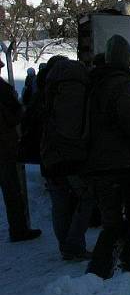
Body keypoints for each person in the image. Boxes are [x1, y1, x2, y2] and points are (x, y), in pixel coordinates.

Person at [83, 35, 130, 278]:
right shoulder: (122, 84)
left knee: (115, 216)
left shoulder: (96, 80)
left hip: (97, 158)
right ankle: (100, 271)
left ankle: (128, 261)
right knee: (119, 218)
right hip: (117, 159)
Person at [40, 56, 95, 260]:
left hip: (49, 153)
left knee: (60, 202)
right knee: (87, 197)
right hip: (70, 156)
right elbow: (74, 128)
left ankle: (65, 245)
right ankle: (74, 245)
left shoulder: (49, 86)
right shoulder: (75, 89)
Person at [0, 56, 41, 243]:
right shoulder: (2, 90)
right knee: (12, 190)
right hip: (4, 147)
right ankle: (18, 229)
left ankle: (19, 228)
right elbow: (12, 116)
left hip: (5, 145)